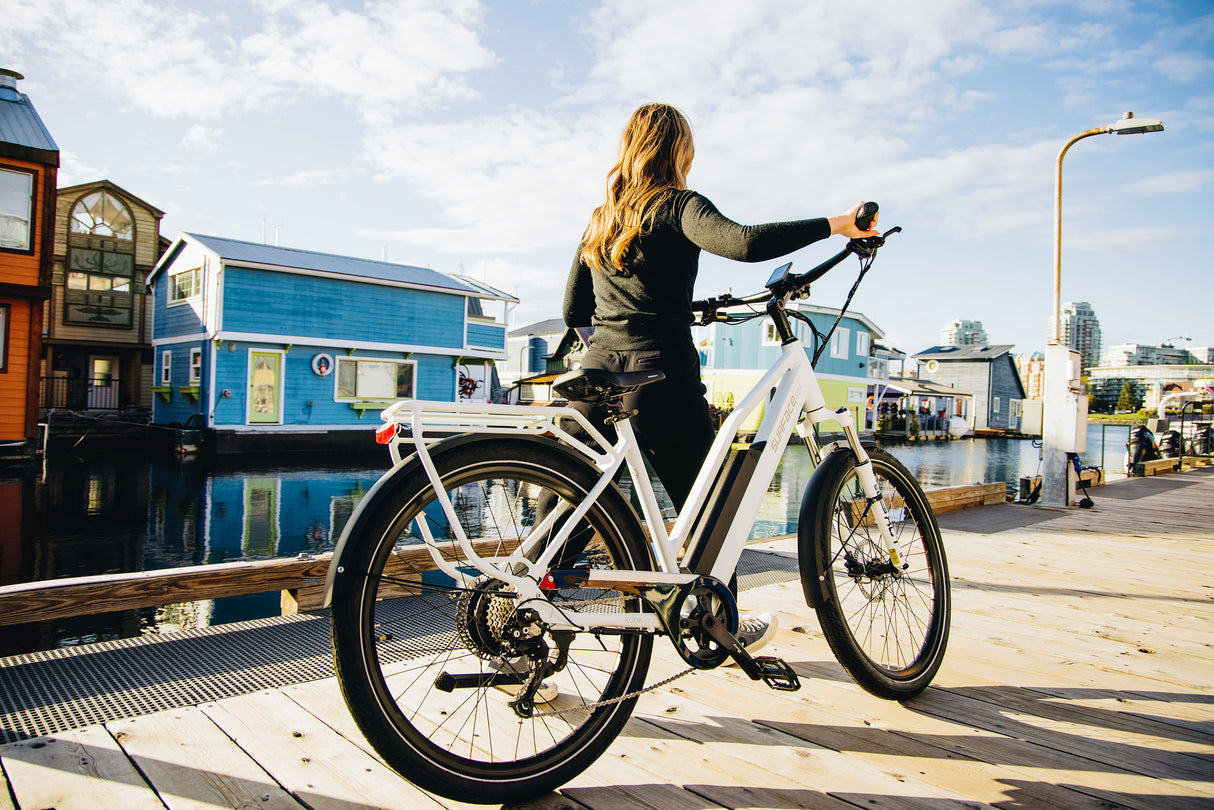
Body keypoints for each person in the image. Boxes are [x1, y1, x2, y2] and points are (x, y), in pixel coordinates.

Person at [563, 102, 879, 652]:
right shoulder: (677, 205)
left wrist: (617, 340)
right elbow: (745, 243)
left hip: (595, 374)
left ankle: (517, 632)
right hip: (658, 375)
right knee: (713, 505)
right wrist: (837, 225)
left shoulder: (600, 217)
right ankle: (720, 627)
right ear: (680, 151)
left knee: (566, 501)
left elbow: (574, 309)